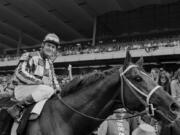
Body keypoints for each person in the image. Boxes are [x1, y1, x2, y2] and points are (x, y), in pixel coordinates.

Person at [0, 33, 61, 119]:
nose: (50, 48)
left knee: (53, 94)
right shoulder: (30, 55)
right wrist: (39, 82)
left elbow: (54, 80)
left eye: (53, 47)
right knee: (48, 90)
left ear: (55, 50)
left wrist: (59, 91)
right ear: (43, 45)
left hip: (38, 91)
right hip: (21, 90)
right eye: (48, 45)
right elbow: (20, 73)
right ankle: (17, 107)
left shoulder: (50, 63)